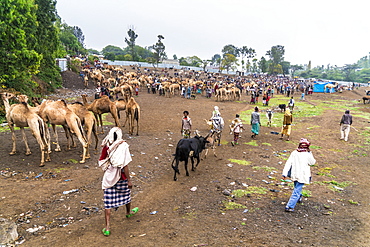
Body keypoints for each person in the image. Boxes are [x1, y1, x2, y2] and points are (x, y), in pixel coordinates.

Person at [98, 127, 139, 236]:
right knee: (126, 194)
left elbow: (102, 159)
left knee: (108, 202)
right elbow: (125, 165)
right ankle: (128, 213)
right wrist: (129, 180)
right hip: (121, 177)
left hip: (109, 177)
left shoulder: (107, 145)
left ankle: (107, 228)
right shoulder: (123, 146)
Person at [282, 138, 316, 212]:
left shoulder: (294, 152)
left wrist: (284, 173)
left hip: (295, 174)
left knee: (296, 187)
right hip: (303, 175)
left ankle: (299, 198)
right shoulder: (307, 154)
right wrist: (310, 153)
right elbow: (312, 162)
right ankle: (289, 206)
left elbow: (288, 163)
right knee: (297, 190)